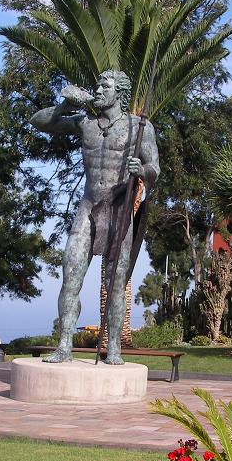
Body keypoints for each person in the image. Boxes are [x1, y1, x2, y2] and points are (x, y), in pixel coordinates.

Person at [29, 70, 159, 364]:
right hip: (87, 208)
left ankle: (113, 347)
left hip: (118, 211)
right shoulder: (84, 123)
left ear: (119, 94)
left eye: (105, 86)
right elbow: (38, 121)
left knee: (115, 282)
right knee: (70, 275)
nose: (98, 90)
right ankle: (64, 345)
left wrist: (143, 170)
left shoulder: (139, 127)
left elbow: (155, 169)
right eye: (97, 85)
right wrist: (64, 106)